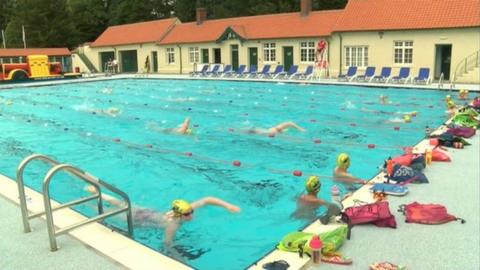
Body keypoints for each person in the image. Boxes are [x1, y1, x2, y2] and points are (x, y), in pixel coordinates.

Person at [85, 186, 240, 246]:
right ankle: (87, 204)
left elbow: (207, 199)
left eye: (191, 211)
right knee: (111, 212)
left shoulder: (182, 211)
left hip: (146, 212)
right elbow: (167, 242)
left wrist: (228, 205)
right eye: (188, 213)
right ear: (180, 214)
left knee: (122, 203)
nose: (191, 214)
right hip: (138, 219)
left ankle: (98, 194)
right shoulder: (172, 225)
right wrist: (178, 257)